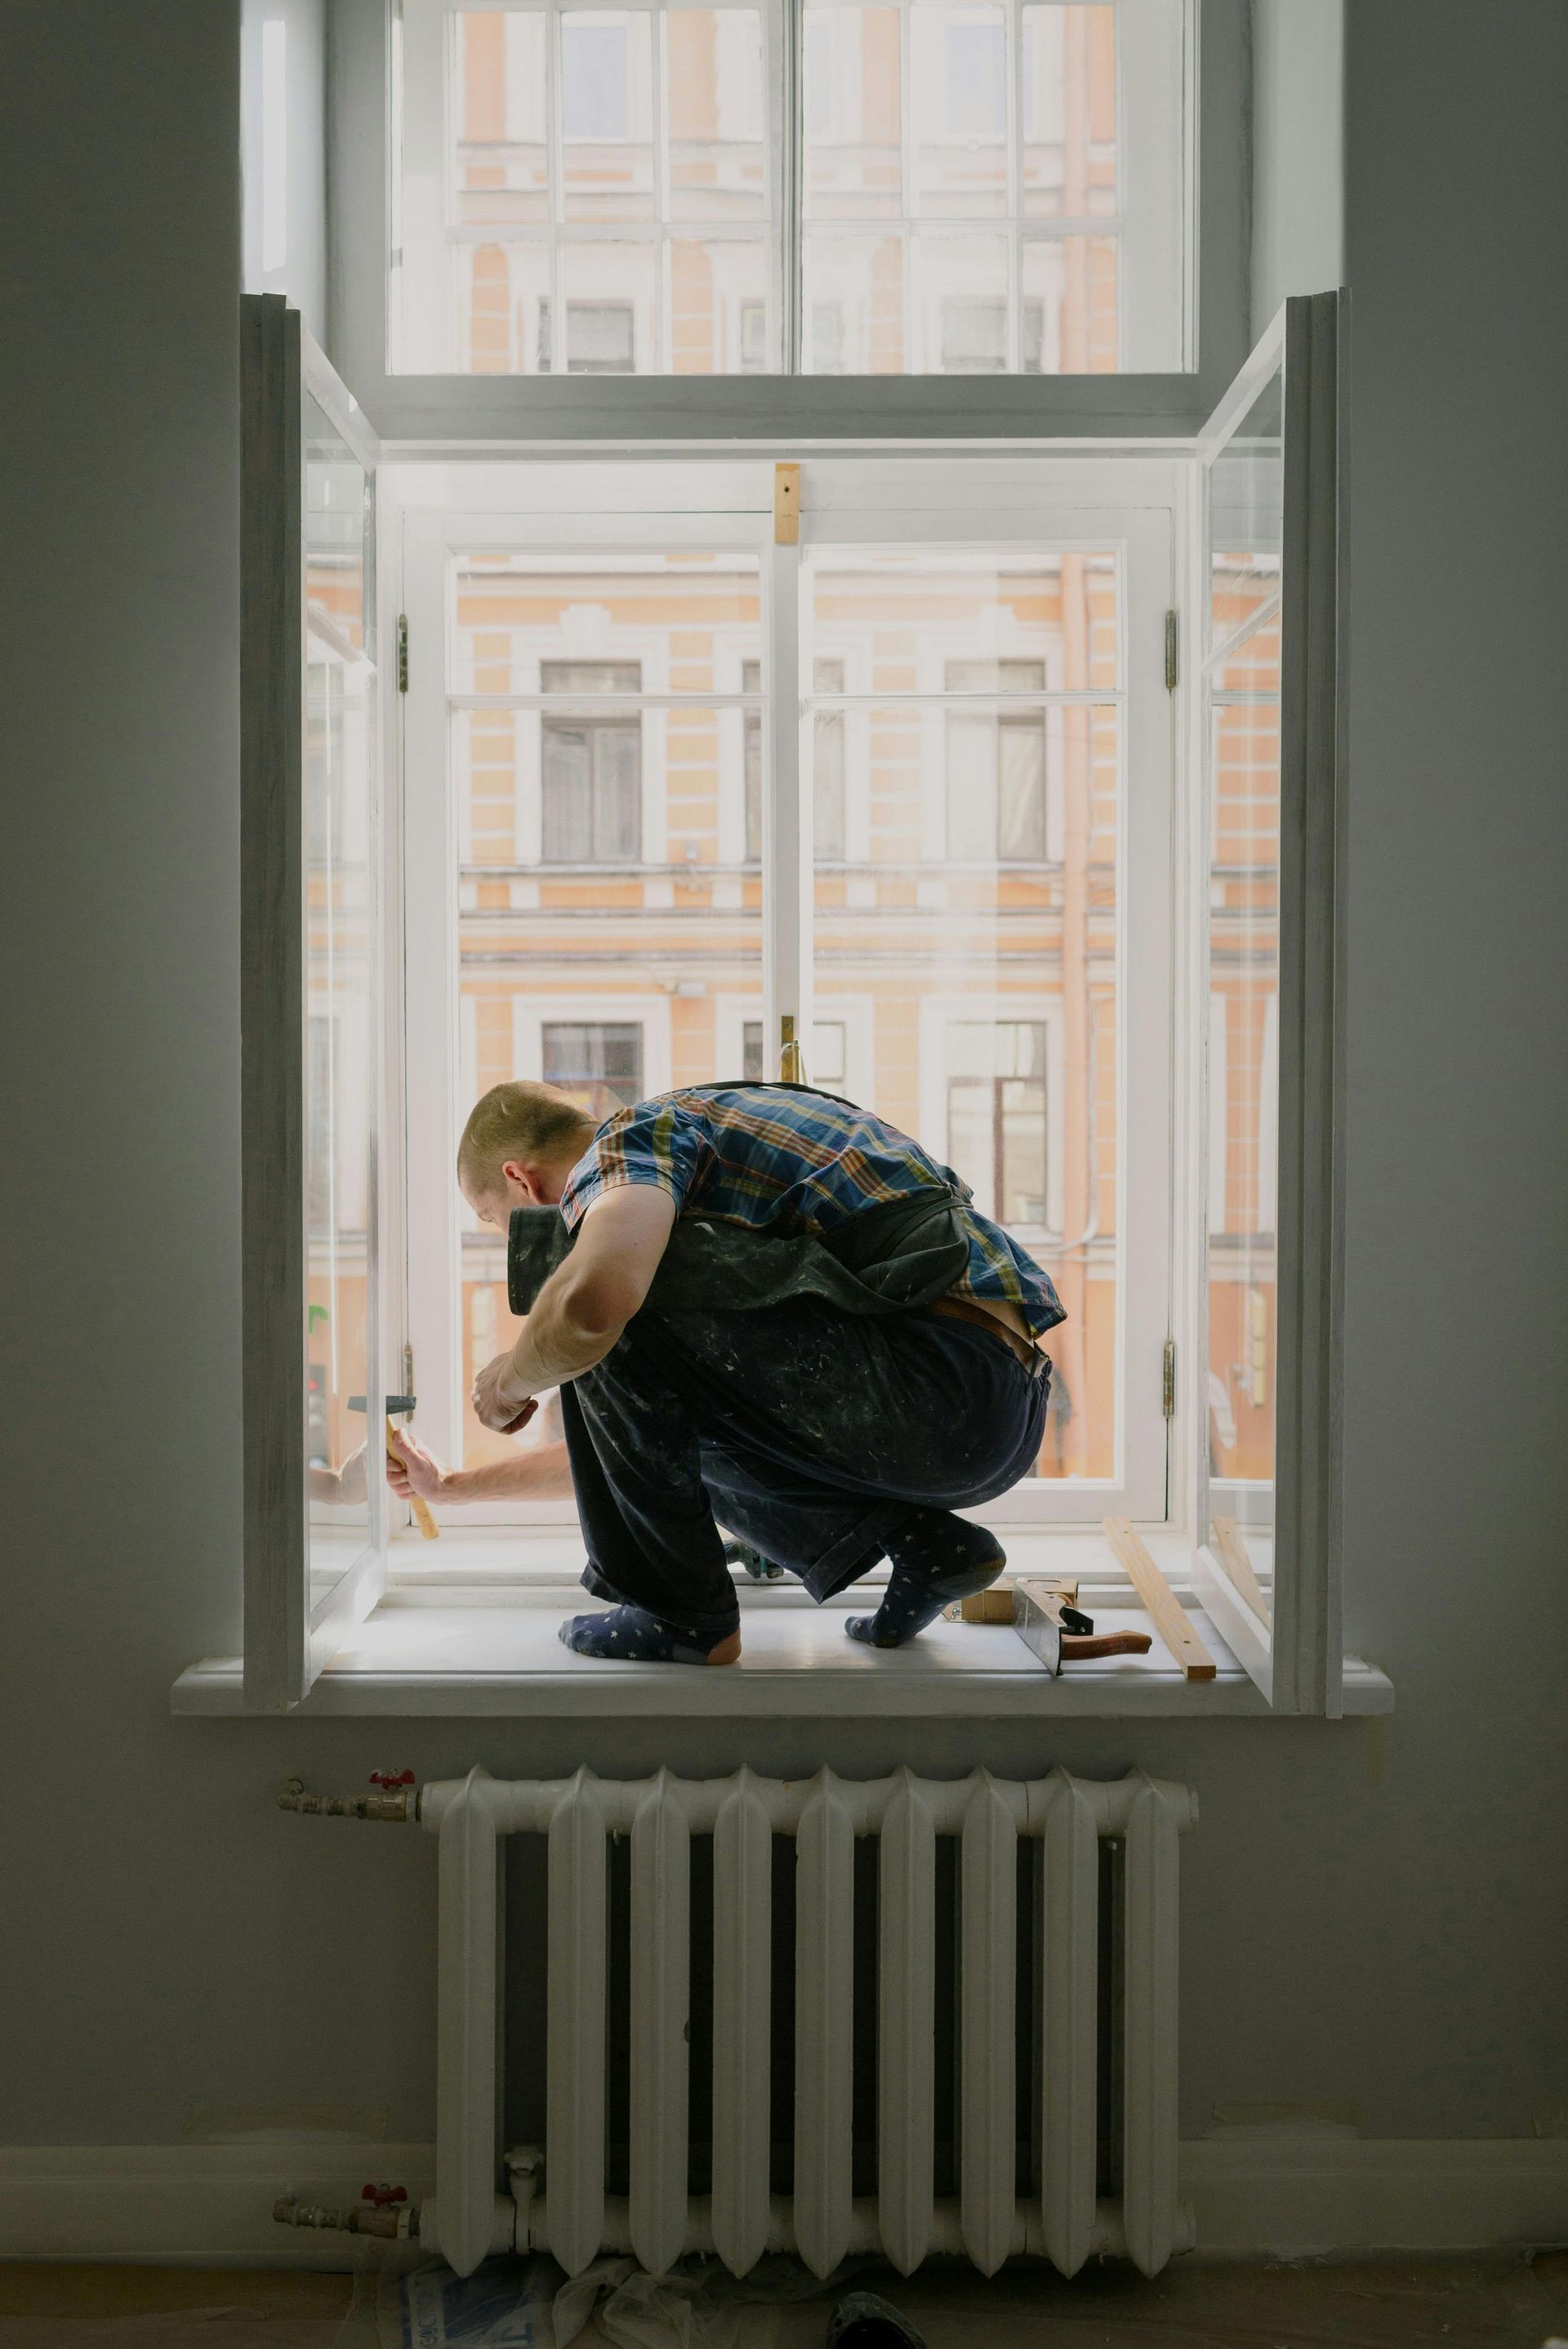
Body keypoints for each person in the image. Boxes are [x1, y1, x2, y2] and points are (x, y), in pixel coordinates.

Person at [457, 1077, 1064, 1667]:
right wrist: (450, 1489)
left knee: (605, 1310)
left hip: (932, 1381)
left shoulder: (628, 1141)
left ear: (521, 1179)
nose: (505, 1232)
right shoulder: (710, 1127)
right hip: (1002, 1410)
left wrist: (508, 1380)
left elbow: (595, 1306)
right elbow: (636, 1449)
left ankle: (681, 1617)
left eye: (493, 1217)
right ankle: (923, 1545)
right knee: (660, 1382)